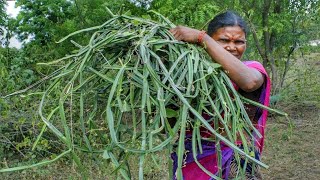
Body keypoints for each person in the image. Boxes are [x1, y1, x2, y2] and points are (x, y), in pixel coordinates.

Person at [169, 10, 271, 179]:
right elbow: (172, 122)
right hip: (194, 161)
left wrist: (202, 38)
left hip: (236, 163)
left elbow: (249, 82)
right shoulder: (193, 76)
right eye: (223, 40)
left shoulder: (252, 68)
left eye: (239, 41)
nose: (232, 47)